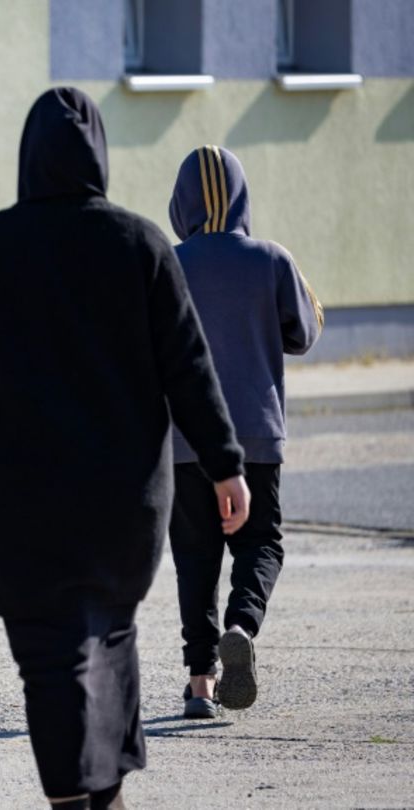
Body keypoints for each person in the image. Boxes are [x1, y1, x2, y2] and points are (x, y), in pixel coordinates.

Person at [0, 89, 251, 810]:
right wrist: (226, 464)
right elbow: (188, 367)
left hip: (27, 493)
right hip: (124, 495)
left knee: (49, 654)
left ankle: (75, 795)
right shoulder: (141, 245)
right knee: (112, 632)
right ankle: (104, 790)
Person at [166, 145, 323, 719]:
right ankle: (242, 624)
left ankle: (201, 684)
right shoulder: (272, 259)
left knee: (195, 557)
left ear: (180, 201)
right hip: (256, 434)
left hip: (185, 441)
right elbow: (304, 333)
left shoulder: (168, 261)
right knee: (260, 543)